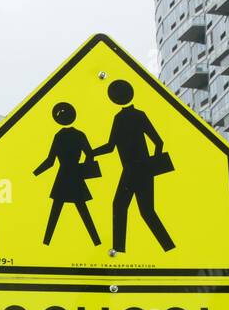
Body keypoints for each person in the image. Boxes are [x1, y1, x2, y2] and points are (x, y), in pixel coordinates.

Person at [92, 80, 175, 254]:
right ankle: (166, 247)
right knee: (142, 211)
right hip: (139, 170)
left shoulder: (123, 118)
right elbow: (158, 142)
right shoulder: (136, 115)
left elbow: (110, 146)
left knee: (125, 207)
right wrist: (153, 164)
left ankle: (122, 250)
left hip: (133, 170)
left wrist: (92, 153)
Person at [33, 102, 101, 246]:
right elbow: (90, 154)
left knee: (56, 211)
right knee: (82, 210)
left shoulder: (59, 136)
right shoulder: (79, 135)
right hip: (75, 175)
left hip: (63, 176)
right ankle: (96, 241)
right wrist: (83, 170)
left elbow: (50, 161)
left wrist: (35, 174)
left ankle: (46, 242)